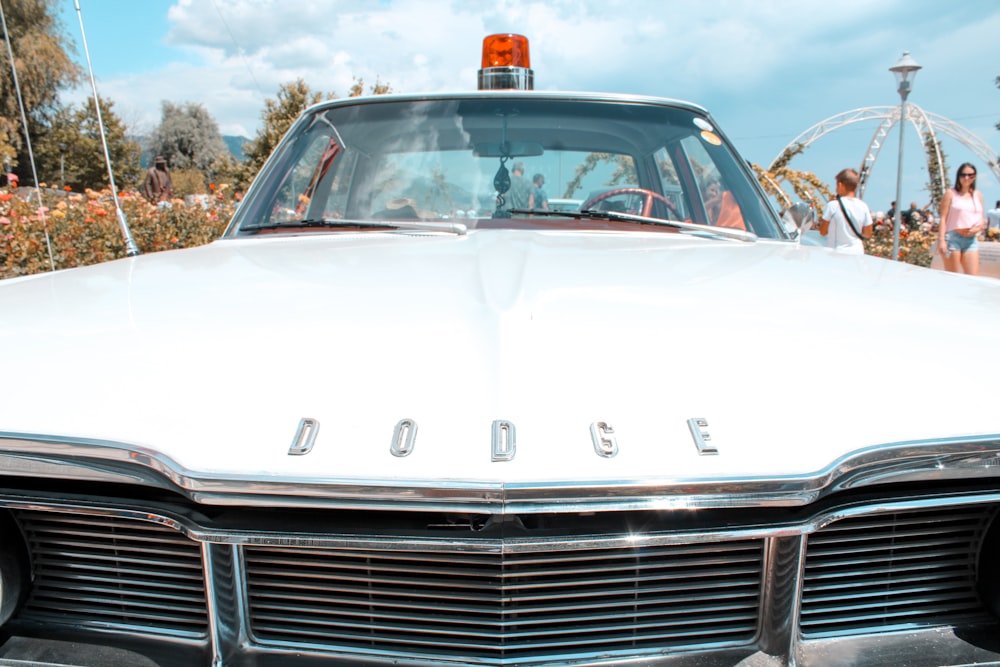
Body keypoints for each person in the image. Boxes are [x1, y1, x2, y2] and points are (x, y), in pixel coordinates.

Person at [938, 163, 984, 275]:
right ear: (958, 176)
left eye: (970, 175)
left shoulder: (977, 195)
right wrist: (941, 240)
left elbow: (981, 218)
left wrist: (976, 229)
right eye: (963, 175)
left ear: (975, 176)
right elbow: (943, 218)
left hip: (971, 239)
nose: (966, 178)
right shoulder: (951, 194)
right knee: (952, 276)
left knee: (973, 278)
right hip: (953, 238)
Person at [817, 168, 873, 254]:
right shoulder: (863, 206)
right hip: (857, 253)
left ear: (840, 185)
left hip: (836, 252)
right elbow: (868, 233)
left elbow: (823, 232)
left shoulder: (833, 206)